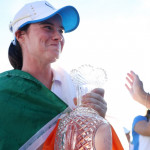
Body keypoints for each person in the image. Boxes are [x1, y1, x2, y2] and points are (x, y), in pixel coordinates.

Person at [0, 1, 123, 149]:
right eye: (48, 27)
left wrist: (98, 122)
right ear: (20, 35)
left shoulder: (75, 88)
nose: (58, 36)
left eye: (61, 30)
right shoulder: (4, 93)